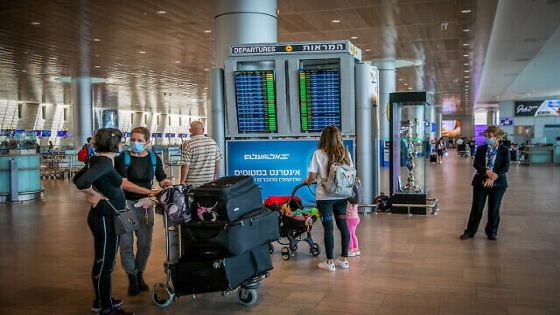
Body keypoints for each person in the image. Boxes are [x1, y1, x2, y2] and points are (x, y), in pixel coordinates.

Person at [73, 128, 134, 315]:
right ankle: (105, 308)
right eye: (121, 141)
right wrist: (95, 195)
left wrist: (96, 193)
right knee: (105, 263)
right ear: (113, 143)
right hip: (105, 218)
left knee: (103, 261)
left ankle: (102, 299)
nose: (123, 144)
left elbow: (77, 178)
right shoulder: (105, 163)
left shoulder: (98, 160)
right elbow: (81, 182)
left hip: (107, 217)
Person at [114, 127, 172, 296]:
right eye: (132, 140)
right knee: (126, 243)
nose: (135, 143)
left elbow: (161, 178)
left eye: (139, 140)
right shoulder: (122, 158)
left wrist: (166, 183)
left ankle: (140, 273)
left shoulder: (154, 158)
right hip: (125, 204)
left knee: (145, 243)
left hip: (145, 205)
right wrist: (148, 191)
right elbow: (123, 183)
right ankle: (131, 276)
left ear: (147, 142)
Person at [304, 126, 351, 272]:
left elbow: (312, 176)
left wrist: (307, 181)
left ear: (323, 138)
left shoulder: (318, 154)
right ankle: (343, 259)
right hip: (342, 195)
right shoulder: (345, 153)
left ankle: (329, 262)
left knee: (328, 228)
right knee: (343, 226)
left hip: (324, 197)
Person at [460, 126, 510, 241]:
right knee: (477, 207)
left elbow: (505, 167)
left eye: (490, 136)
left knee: (494, 208)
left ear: (497, 137)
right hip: (480, 181)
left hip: (498, 184)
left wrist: (492, 177)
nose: (487, 138)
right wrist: (486, 173)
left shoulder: (504, 151)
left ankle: (492, 232)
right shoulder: (481, 149)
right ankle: (470, 231)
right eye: (486, 136)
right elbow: (476, 164)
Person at [180, 121, 222, 188]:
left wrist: (182, 182)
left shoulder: (188, 144)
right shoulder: (213, 142)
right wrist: (214, 176)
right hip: (209, 182)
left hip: (193, 185)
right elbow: (217, 161)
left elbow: (185, 165)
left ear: (190, 130)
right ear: (203, 129)